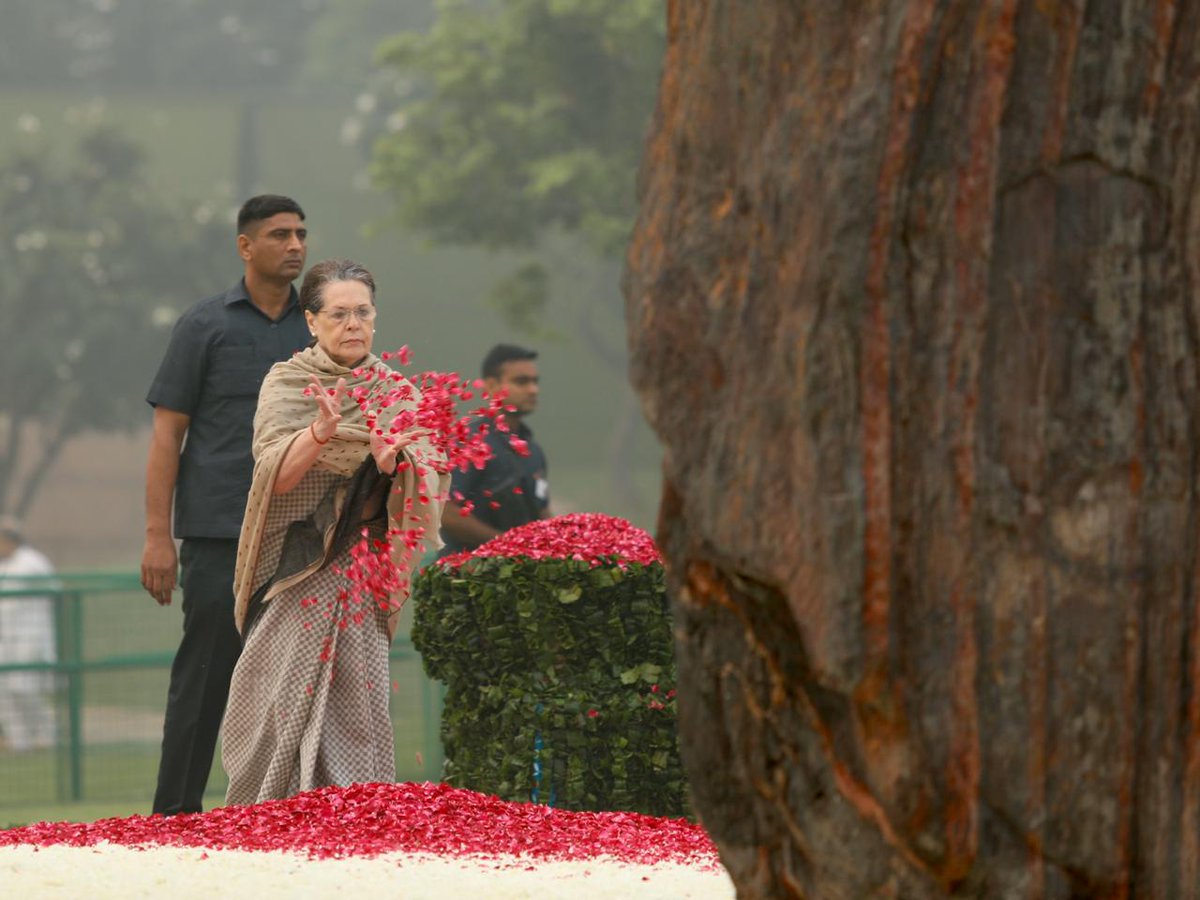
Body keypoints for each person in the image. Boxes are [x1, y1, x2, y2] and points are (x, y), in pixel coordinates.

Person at [222, 257, 446, 805]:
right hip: (300, 567)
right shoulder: (289, 382)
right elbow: (273, 475)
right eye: (339, 314)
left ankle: (354, 808)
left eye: (363, 312)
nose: (353, 325)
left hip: (362, 568)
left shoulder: (394, 391)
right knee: (281, 688)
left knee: (357, 695)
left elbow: (426, 477)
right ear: (311, 321)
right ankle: (275, 803)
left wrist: (396, 465)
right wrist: (321, 432)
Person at [141, 194, 310, 814]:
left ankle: (279, 815)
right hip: (218, 532)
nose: (294, 246)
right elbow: (167, 436)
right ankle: (175, 816)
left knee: (294, 684)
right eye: (279, 235)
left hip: (302, 535)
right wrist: (159, 535)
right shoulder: (204, 325)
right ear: (245, 246)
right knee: (206, 674)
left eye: (300, 234)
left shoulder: (318, 328)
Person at [439, 344, 550, 555]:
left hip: (521, 575)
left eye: (535, 382)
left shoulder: (534, 452)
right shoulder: (470, 441)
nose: (533, 389)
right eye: (521, 381)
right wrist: (505, 544)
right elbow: (446, 513)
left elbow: (542, 511)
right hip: (466, 576)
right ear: (491, 386)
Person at [0, 516, 57, 752]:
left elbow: (55, 591)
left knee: (24, 688)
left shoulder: (32, 562)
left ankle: (47, 734)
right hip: (5, 638)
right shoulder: (3, 565)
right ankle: (19, 741)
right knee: (3, 691)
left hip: (30, 636)